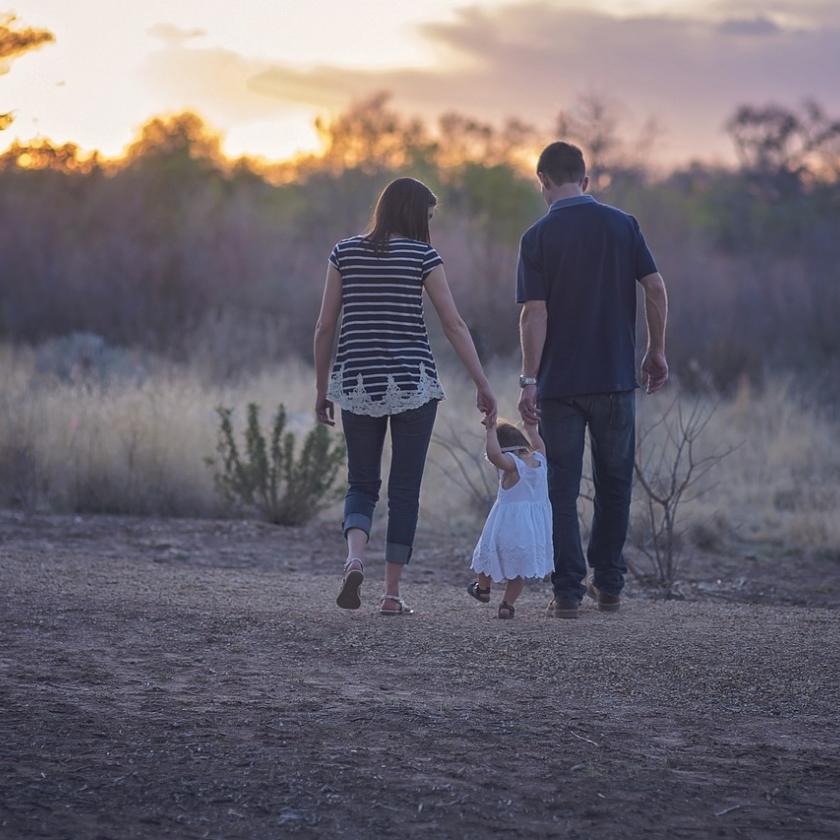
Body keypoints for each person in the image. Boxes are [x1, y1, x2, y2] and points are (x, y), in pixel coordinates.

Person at [314, 177, 497, 615]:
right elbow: (453, 325)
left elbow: (324, 327)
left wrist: (323, 389)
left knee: (361, 482)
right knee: (404, 490)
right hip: (413, 384)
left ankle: (355, 558)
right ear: (414, 214)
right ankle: (392, 595)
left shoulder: (344, 252)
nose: (429, 224)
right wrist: (482, 383)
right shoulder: (423, 256)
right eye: (428, 216)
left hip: (357, 382)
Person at [517, 141, 669, 619]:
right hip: (616, 379)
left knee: (560, 487)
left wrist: (528, 378)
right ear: (585, 180)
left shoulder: (537, 237)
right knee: (615, 483)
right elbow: (656, 287)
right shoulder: (623, 226)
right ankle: (609, 585)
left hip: (560, 385)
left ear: (542, 181)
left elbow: (533, 314)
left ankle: (566, 593)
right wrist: (656, 350)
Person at [468, 419, 554, 619]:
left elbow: (494, 455)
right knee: (518, 571)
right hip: (531, 530)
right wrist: (531, 428)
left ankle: (483, 589)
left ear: (505, 449)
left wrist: (490, 431)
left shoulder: (512, 465)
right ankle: (507, 605)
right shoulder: (540, 460)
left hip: (506, 526)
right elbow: (540, 444)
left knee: (485, 556)